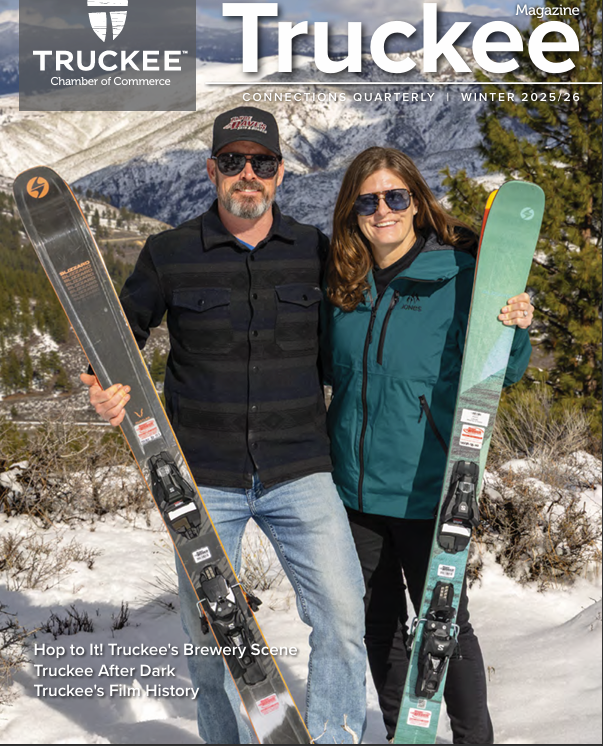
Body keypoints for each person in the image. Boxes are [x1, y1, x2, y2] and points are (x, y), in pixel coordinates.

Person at [80, 106, 367, 745]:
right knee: (213, 639)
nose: (248, 176)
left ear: (280, 175)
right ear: (212, 170)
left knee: (345, 619)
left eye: (261, 163)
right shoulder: (169, 252)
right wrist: (103, 389)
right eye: (233, 162)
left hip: (300, 469)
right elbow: (118, 338)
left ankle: (336, 735)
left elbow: (370, 323)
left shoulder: (313, 251)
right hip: (201, 480)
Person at [323, 146, 535, 744]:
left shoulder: (460, 273)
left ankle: (474, 738)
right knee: (377, 622)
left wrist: (516, 326)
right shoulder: (343, 281)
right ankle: (403, 733)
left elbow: (503, 371)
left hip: (428, 486)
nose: (382, 210)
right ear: (352, 210)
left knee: (444, 626)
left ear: (416, 202)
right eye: (368, 200)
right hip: (354, 489)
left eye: (396, 196)